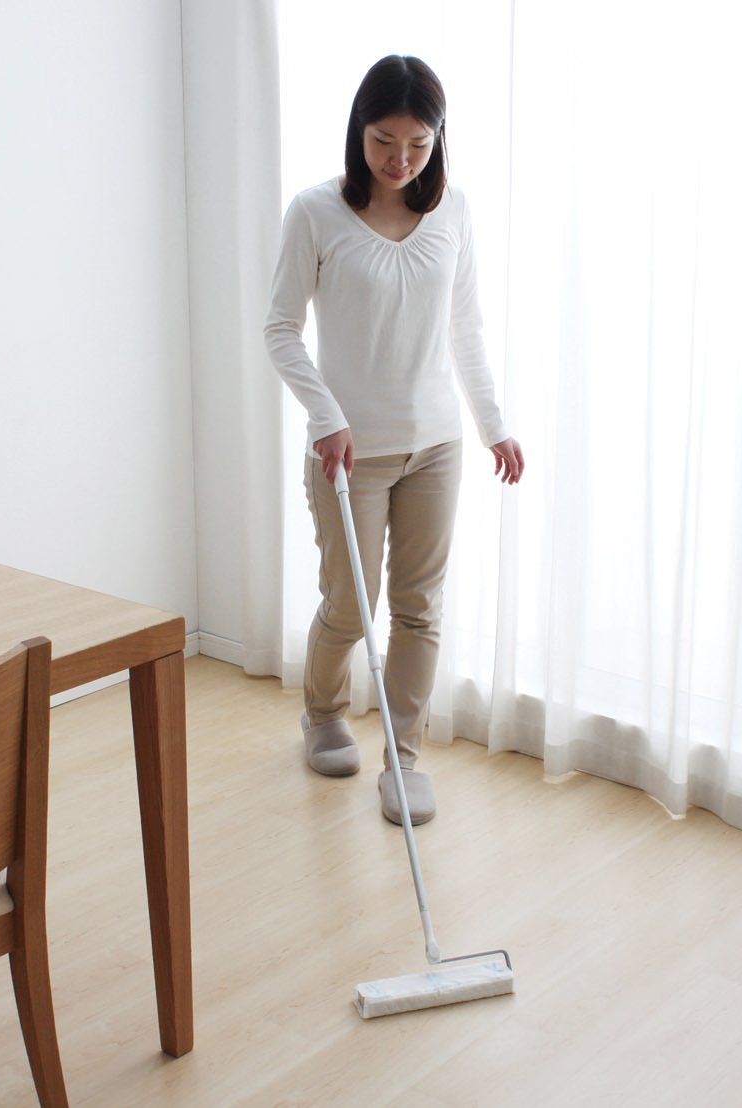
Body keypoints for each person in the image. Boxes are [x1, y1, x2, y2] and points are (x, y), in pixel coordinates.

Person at [265, 54, 523, 827]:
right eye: (384, 141)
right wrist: (326, 415)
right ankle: (323, 713)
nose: (400, 159)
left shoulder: (455, 212)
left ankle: (403, 761)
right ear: (359, 130)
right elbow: (281, 330)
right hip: (349, 451)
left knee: (419, 609)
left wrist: (494, 426)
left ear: (437, 140)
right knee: (351, 606)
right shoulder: (315, 213)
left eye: (418, 144)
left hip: (436, 445)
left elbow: (465, 329)